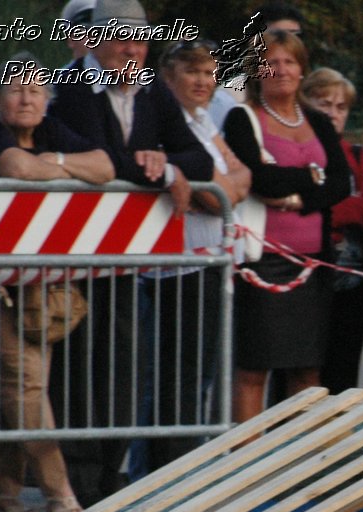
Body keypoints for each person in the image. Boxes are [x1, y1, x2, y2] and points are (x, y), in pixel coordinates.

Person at [49, 0, 214, 503]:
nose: (132, 50)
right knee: (79, 364)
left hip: (127, 254)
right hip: (74, 250)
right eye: (121, 39)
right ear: (96, 39)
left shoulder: (153, 93)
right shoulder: (71, 87)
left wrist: (167, 160)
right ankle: (78, 479)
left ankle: (107, 478)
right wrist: (160, 170)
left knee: (123, 365)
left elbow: (200, 156)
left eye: (140, 41)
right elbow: (101, 161)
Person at [0, 55, 117, 512]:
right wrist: (62, 168)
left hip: (38, 282)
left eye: (35, 90)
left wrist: (51, 160)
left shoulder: (51, 135)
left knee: (22, 384)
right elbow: (18, 169)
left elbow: (105, 167)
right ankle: (59, 493)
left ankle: (1, 493)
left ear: (48, 100)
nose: (27, 98)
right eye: (15, 89)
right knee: (25, 384)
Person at [221, 29, 350, 421]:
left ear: (301, 68)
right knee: (253, 367)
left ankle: (299, 461)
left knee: (307, 368)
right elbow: (260, 180)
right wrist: (312, 178)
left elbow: (341, 183)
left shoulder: (318, 121)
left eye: (289, 61)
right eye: (270, 61)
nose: (280, 69)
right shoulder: (243, 118)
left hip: (313, 264)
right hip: (262, 263)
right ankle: (246, 464)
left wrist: (294, 195)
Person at [153, 40, 251, 468]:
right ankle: (171, 467)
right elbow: (220, 196)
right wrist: (224, 187)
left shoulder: (203, 119)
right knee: (182, 376)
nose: (202, 81)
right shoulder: (169, 122)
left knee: (205, 371)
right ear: (168, 75)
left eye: (209, 72)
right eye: (192, 72)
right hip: (180, 262)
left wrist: (223, 187)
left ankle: (192, 461)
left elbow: (241, 177)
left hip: (214, 259)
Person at [296, 67, 363, 392]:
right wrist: (339, 205)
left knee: (343, 379)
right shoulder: (296, 149)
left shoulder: (358, 157)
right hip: (302, 280)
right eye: (324, 103)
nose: (332, 112)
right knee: (299, 373)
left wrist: (322, 204)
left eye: (341, 106)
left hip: (350, 287)